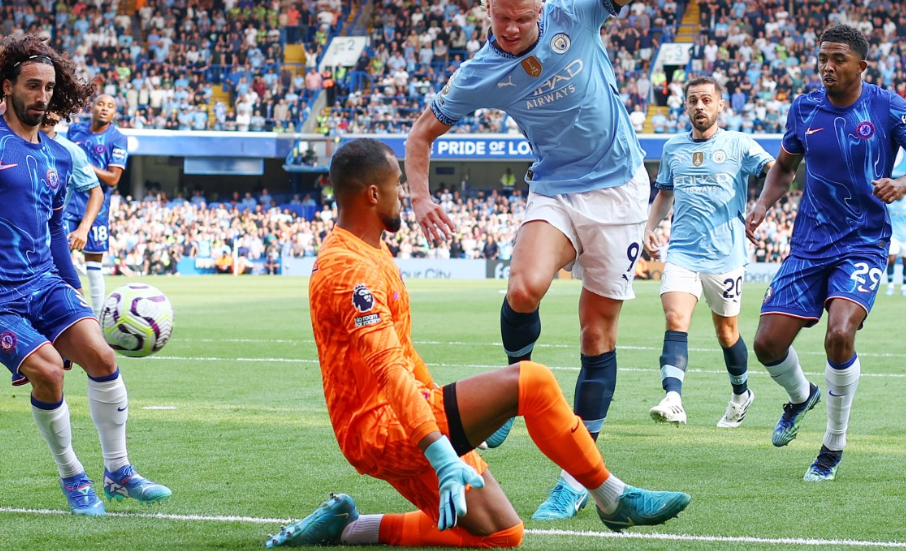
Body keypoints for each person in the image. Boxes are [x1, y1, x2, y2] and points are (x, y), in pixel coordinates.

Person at [267, 139, 689, 548]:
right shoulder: (348, 270)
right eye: (400, 184)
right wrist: (438, 447)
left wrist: (434, 420)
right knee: (533, 382)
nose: (406, 193)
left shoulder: (370, 249)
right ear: (374, 193)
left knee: (502, 534)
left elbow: (402, 357)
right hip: (384, 428)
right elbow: (389, 369)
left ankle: (347, 528)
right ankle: (611, 497)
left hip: (404, 417)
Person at [405, 0, 683, 521]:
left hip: (619, 190)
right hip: (555, 188)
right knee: (523, 287)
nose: (512, 30)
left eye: (523, 19)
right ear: (487, 11)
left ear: (541, 10)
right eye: (502, 18)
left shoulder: (573, 10)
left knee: (595, 335)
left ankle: (576, 480)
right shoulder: (478, 71)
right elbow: (421, 134)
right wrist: (422, 198)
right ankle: (510, 392)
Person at [0, 35, 170, 515]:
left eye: (48, 88)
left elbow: (54, 231)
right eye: (32, 86)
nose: (41, 95)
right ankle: (74, 476)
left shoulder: (60, 156)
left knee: (103, 356)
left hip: (45, 282)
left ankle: (119, 473)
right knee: (49, 372)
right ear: (7, 87)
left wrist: (72, 296)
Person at [746, 25, 906, 482]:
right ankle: (801, 397)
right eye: (822, 58)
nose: (827, 67)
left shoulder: (889, 106)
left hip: (862, 243)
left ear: (861, 65)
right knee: (766, 343)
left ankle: (832, 446)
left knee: (840, 333)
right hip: (810, 242)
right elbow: (784, 167)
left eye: (838, 59)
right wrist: (761, 205)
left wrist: (903, 182)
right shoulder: (805, 108)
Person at [643, 76, 773, 428]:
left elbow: (775, 170)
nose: (699, 106)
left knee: (727, 333)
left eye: (705, 100)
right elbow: (665, 194)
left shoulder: (739, 144)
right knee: (675, 320)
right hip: (682, 251)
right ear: (685, 107)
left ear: (720, 105)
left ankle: (741, 394)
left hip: (725, 255)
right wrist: (647, 229)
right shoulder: (673, 148)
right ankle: (673, 399)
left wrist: (762, 205)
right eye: (692, 101)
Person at [66, 94, 128, 314]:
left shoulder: (118, 139)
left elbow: (113, 178)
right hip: (68, 205)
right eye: (100, 104)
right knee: (57, 258)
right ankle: (65, 311)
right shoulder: (75, 131)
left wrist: (84, 165)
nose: (104, 109)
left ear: (114, 113)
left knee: (94, 268)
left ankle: (99, 318)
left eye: (110, 106)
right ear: (91, 107)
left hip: (97, 208)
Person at [41, 114, 104, 252]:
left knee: (66, 274)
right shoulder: (13, 143)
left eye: (53, 109)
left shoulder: (71, 151)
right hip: (13, 236)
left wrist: (83, 229)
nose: (47, 114)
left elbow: (97, 193)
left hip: (50, 237)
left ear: (60, 113)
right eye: (43, 107)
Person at [884, 193, 906, 297]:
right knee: (892, 259)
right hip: (894, 235)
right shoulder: (889, 200)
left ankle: (904, 287)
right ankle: (890, 286)